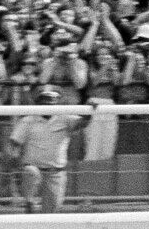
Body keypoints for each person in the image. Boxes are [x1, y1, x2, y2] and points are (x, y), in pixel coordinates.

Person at [8, 86, 91, 214]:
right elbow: (14, 143)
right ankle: (29, 203)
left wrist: (90, 110)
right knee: (31, 172)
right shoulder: (28, 120)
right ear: (38, 103)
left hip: (55, 173)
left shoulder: (65, 118)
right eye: (44, 100)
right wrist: (15, 165)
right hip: (33, 171)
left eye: (51, 100)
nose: (47, 104)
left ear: (57, 102)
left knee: (51, 213)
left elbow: (82, 123)